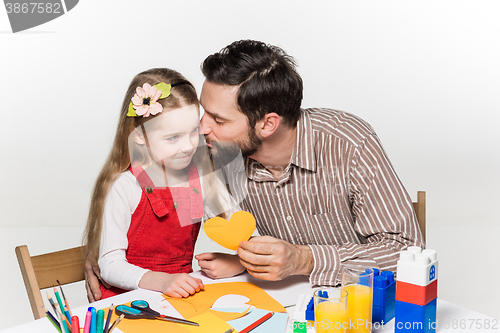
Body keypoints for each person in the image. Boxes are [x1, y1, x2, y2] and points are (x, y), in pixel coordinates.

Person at [85, 41, 423, 301]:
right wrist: (102, 257)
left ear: (267, 124)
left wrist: (304, 260)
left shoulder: (349, 143)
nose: (200, 129)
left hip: (358, 305)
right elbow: (142, 190)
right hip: (280, 301)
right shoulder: (210, 152)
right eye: (204, 112)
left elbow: (406, 252)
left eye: (217, 119)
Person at [83, 68, 235, 300]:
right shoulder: (125, 186)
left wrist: (237, 261)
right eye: (173, 137)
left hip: (180, 297)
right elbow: (110, 265)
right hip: (129, 302)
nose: (188, 146)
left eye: (194, 131)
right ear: (140, 137)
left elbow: (238, 225)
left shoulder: (200, 179)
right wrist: (162, 280)